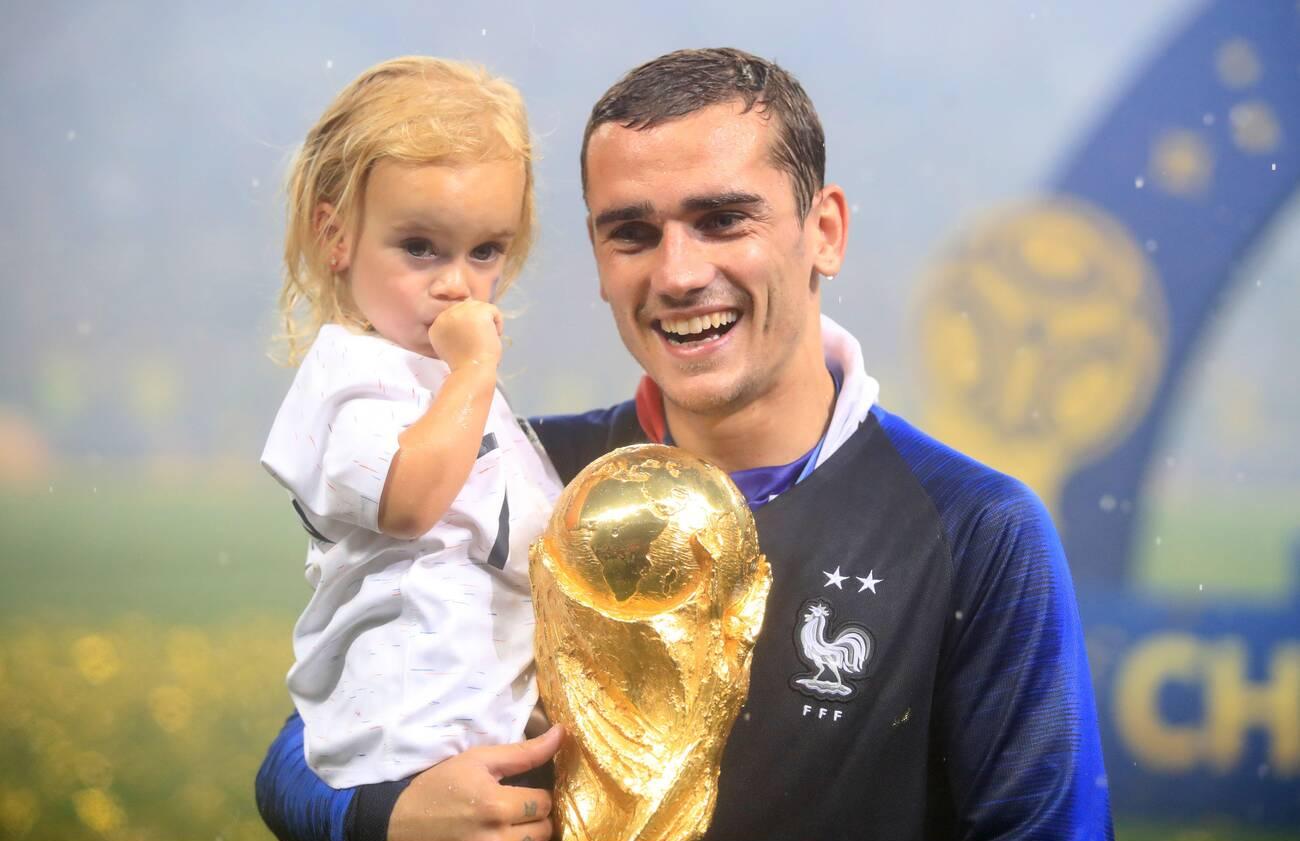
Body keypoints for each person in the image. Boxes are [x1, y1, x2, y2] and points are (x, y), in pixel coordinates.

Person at [257, 48, 1114, 841]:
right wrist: (383, 814)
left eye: (722, 219)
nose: (676, 273)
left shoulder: (976, 529)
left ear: (825, 231)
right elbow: (301, 754)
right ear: (596, 257)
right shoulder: (525, 481)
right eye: (631, 231)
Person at [258, 54, 563, 836]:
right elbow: (409, 499)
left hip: (474, 731)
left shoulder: (453, 388)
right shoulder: (354, 378)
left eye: (486, 251)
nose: (457, 283)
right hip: (405, 743)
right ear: (336, 237)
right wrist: (475, 366)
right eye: (420, 246)